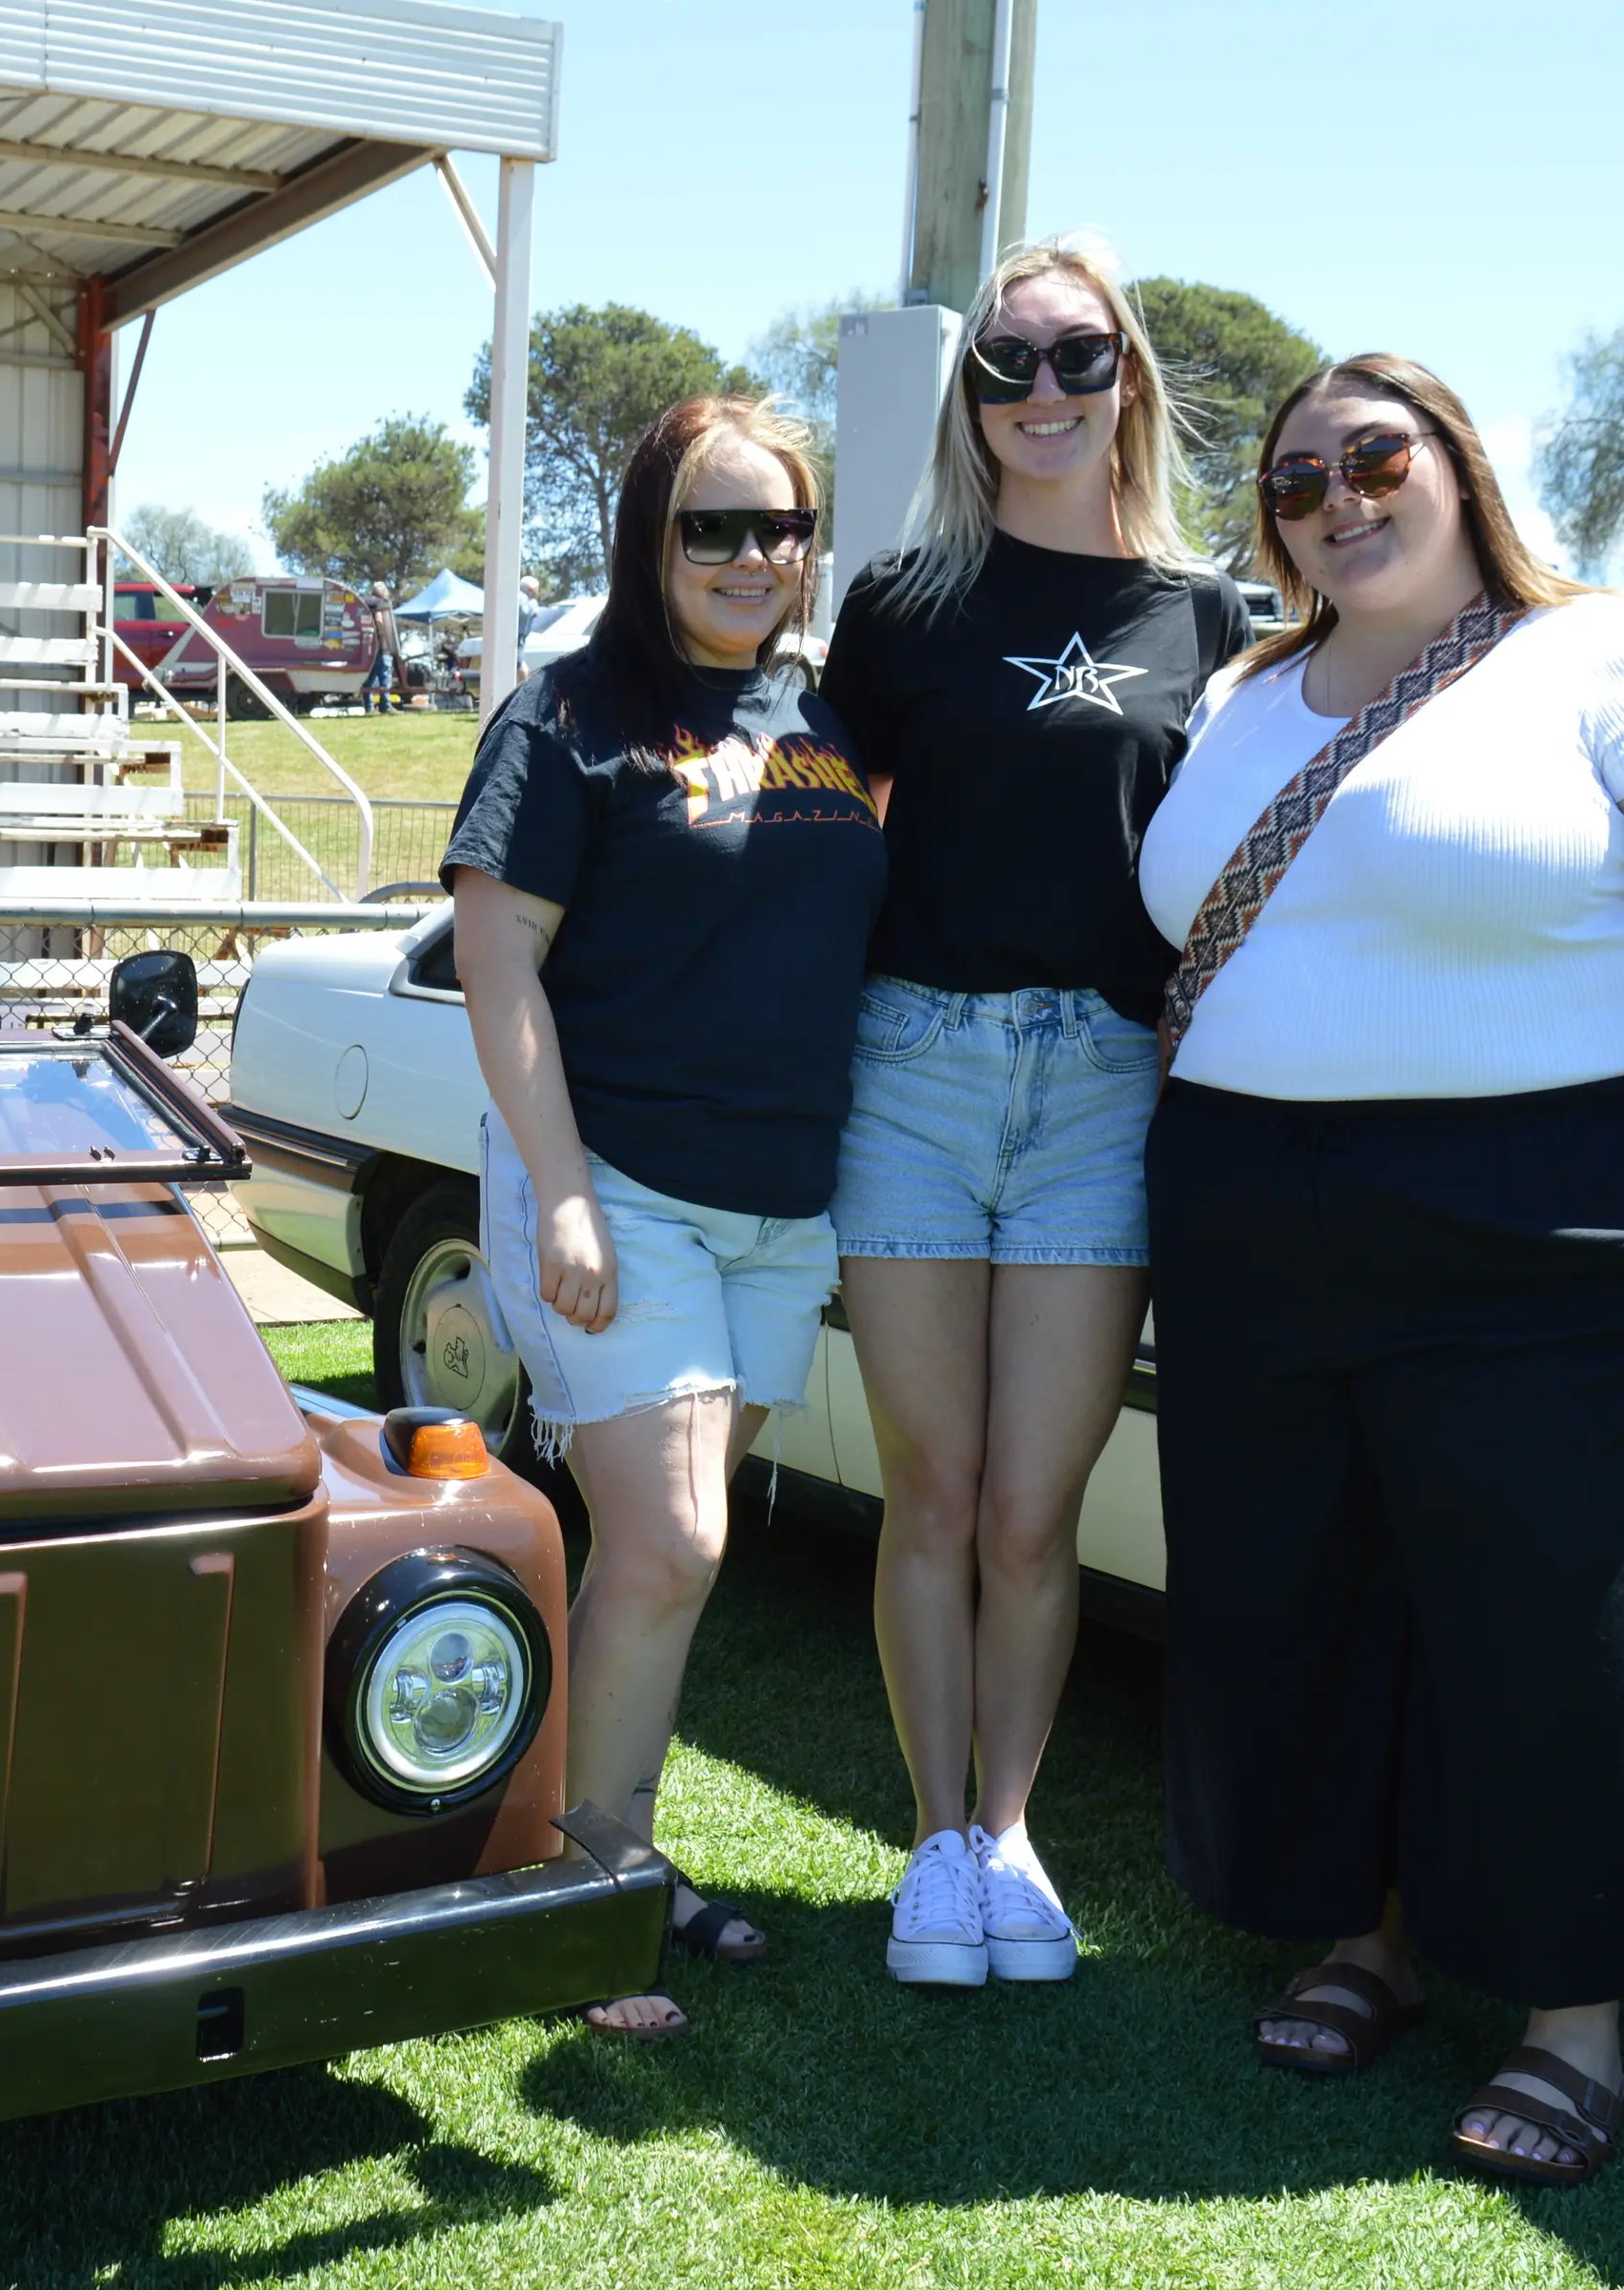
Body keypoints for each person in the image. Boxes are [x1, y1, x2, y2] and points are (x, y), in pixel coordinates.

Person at [1134, 353, 1624, 2185]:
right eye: (1296, 481)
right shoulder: (1245, 691)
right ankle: (1372, 1940)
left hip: (1549, 1213)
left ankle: (1570, 2019)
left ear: (1460, 467)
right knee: (1306, 1592)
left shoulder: (1620, 662)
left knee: (1551, 1624)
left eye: (1376, 458)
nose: (1337, 500)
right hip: (1246, 1205)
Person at [818, 240, 1247, 1991]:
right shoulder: (904, 600)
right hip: (909, 1071)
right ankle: (935, 1844)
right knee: (932, 1495)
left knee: (1028, 1512)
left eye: (1078, 357)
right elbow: (809, 851)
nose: (1045, 391)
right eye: (1008, 366)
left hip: (1102, 1087)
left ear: (1128, 377)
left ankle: (1012, 1833)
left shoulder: (1209, 618)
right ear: (971, 400)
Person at [445, 395, 886, 2039]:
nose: (751, 557)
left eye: (780, 526)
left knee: (676, 1558)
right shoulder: (568, 717)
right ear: (648, 537)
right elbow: (501, 967)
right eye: (713, 525)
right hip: (621, 1183)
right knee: (673, 1538)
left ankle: (600, 1847)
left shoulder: (824, 719)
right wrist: (561, 1192)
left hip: (785, 1206)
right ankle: (571, 1875)